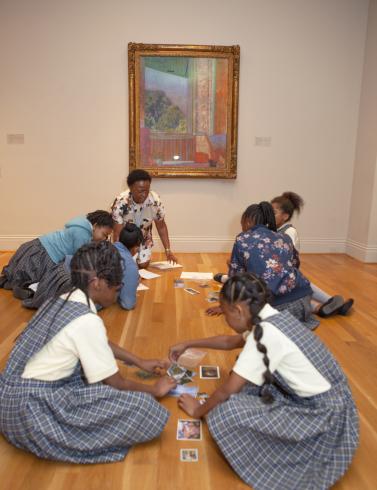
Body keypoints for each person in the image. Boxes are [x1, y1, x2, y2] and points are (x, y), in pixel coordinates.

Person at [169, 273, 359, 489]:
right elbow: (230, 341)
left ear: (238, 311)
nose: (225, 319)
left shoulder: (264, 333)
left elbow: (226, 392)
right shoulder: (272, 316)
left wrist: (198, 410)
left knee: (228, 410)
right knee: (247, 376)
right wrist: (187, 343)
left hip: (323, 416)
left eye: (225, 313)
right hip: (336, 397)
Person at [0, 241, 176, 463]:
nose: (118, 291)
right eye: (117, 287)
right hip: (31, 414)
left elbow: (97, 342)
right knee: (144, 408)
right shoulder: (87, 320)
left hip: (8, 397)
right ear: (98, 283)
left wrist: (139, 361)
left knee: (91, 381)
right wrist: (153, 390)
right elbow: (117, 383)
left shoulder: (63, 298)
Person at [211, 202, 319, 330]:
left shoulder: (242, 239)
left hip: (279, 305)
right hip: (304, 297)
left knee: (249, 325)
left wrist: (226, 306)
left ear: (248, 221)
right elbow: (295, 265)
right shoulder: (284, 237)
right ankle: (314, 310)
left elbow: (236, 279)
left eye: (242, 223)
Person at [0, 210, 113, 309]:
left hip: (39, 246)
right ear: (96, 225)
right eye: (104, 234)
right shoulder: (82, 234)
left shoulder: (82, 228)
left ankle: (21, 285)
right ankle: (26, 288)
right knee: (37, 278)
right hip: (45, 254)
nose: (104, 239)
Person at [271, 191, 354, 317]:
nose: (269, 215)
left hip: (287, 270)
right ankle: (333, 305)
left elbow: (287, 254)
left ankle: (330, 304)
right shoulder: (274, 230)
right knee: (300, 289)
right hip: (282, 270)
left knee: (299, 289)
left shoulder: (289, 232)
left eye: (274, 213)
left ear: (285, 216)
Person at [111, 169, 177, 267]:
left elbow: (161, 227)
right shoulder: (120, 202)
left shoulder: (155, 201)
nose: (144, 194)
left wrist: (168, 250)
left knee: (143, 265)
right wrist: (119, 255)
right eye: (140, 191)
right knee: (125, 264)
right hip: (126, 238)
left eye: (147, 190)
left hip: (144, 236)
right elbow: (117, 233)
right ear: (130, 188)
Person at [114, 223, 143, 310]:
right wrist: (136, 282)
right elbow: (128, 304)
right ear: (136, 247)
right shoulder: (130, 265)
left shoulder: (107, 246)